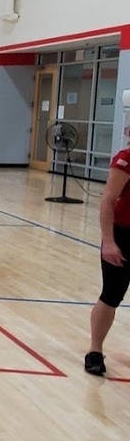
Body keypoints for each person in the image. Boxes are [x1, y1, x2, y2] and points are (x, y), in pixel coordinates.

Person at [85, 147, 130, 375]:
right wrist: (109, 242)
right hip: (123, 234)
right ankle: (95, 350)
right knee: (112, 294)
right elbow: (108, 200)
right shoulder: (125, 159)